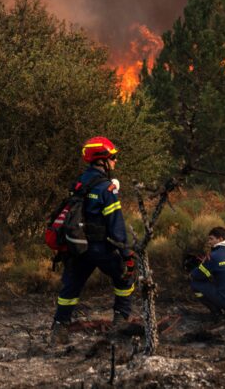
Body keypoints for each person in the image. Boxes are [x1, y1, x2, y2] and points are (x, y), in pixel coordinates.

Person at [50, 137, 136, 345]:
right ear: (102, 160)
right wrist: (127, 254)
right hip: (101, 247)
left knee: (70, 287)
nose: (115, 161)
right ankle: (120, 321)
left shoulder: (80, 182)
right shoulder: (106, 189)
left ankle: (59, 329)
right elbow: (116, 225)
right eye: (113, 157)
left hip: (78, 246)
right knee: (125, 279)